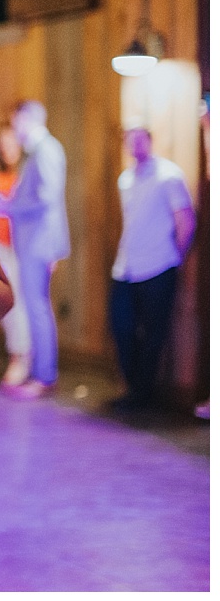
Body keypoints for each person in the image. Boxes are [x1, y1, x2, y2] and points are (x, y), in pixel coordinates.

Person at [108, 125, 195, 411]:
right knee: (122, 327)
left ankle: (142, 394)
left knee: (154, 333)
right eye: (130, 140)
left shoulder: (167, 176)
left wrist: (175, 258)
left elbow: (185, 219)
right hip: (127, 267)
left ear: (150, 141)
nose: (135, 145)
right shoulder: (126, 180)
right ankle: (134, 387)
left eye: (140, 139)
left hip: (158, 265)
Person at [0, 100, 69, 400]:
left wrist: (9, 207)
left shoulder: (46, 150)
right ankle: (42, 372)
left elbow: (47, 198)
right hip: (33, 240)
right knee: (35, 306)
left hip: (39, 241)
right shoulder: (37, 152)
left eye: (16, 123)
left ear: (29, 119)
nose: (15, 130)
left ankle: (44, 376)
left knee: (37, 307)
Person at [0, 122, 32, 387]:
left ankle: (20, 358)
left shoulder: (24, 179)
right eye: (2, 144)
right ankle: (17, 354)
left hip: (18, 248)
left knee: (18, 307)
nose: (7, 149)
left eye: (11, 143)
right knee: (2, 306)